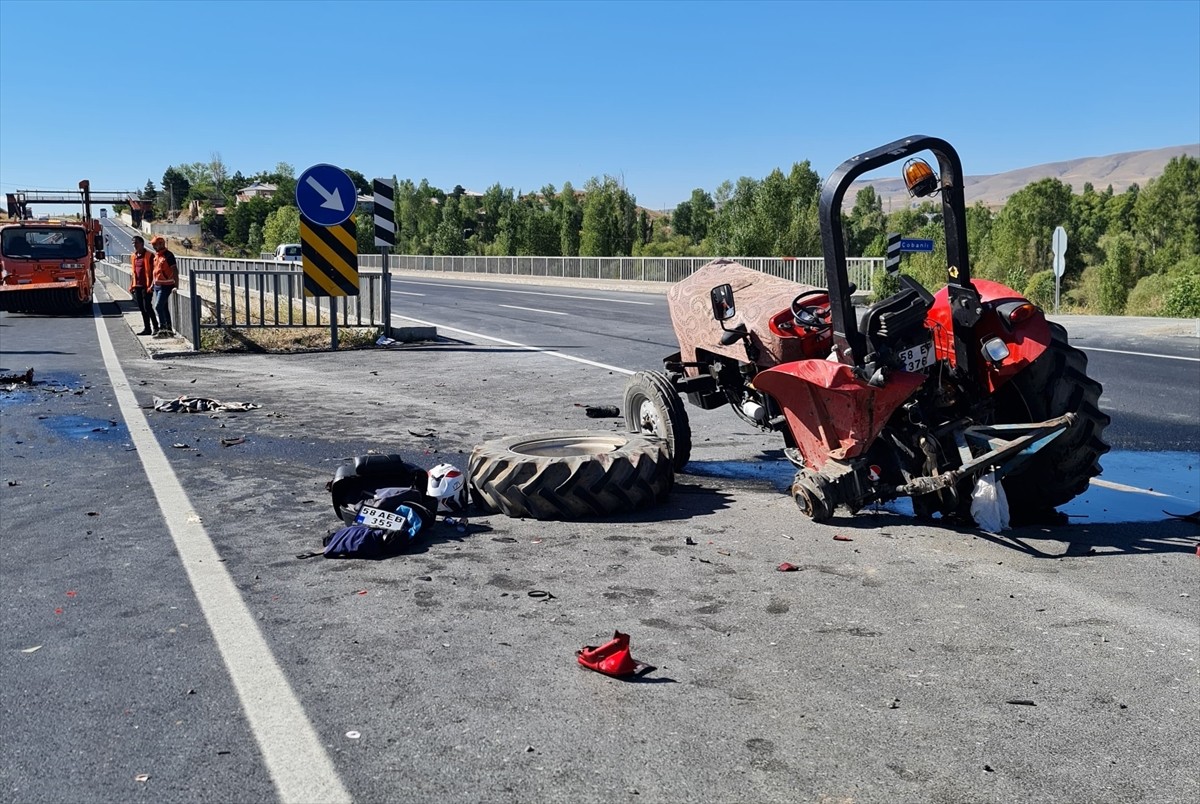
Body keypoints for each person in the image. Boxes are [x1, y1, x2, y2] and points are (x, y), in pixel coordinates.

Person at [128, 236, 158, 335]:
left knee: (147, 307)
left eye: (136, 243)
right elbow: (134, 272)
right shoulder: (133, 256)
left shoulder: (150, 255)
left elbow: (155, 272)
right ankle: (147, 329)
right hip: (137, 286)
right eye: (133, 243)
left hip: (147, 286)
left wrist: (152, 285)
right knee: (141, 308)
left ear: (142, 243)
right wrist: (132, 285)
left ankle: (156, 327)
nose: (134, 245)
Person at [150, 236, 177, 338]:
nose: (153, 246)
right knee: (164, 308)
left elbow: (175, 270)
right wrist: (153, 284)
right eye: (153, 245)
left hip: (166, 285)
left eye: (155, 244)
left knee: (158, 306)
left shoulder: (168, 255)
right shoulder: (157, 256)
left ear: (161, 244)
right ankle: (168, 330)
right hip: (158, 285)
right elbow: (155, 272)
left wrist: (176, 285)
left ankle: (163, 330)